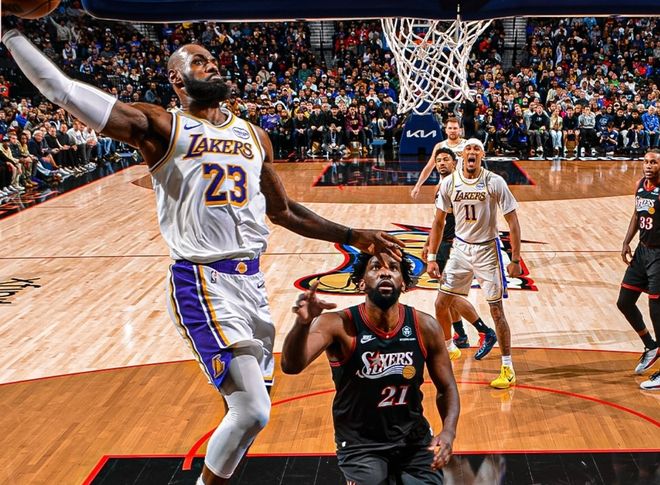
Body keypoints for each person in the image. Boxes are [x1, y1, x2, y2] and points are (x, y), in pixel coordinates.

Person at [2, 30, 405, 485]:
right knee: (252, 410)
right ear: (176, 78)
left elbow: (283, 211)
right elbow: (62, 90)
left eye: (212, 59)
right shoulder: (161, 126)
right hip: (201, 280)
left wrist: (353, 236)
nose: (211, 64)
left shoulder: (253, 136)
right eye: (197, 61)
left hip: (251, 285)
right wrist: (10, 32)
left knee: (248, 415)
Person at [281, 251, 460, 485]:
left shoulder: (425, 326)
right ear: (362, 283)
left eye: (393, 268)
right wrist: (302, 324)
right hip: (360, 444)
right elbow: (291, 365)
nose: (385, 272)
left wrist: (448, 432)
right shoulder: (337, 324)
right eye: (376, 267)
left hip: (413, 441)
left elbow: (447, 387)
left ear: (403, 283)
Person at [426, 139, 522, 389]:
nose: (472, 152)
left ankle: (507, 367)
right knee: (441, 303)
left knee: (497, 310)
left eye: (476, 149)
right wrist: (431, 257)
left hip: (487, 250)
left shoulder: (494, 181)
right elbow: (438, 222)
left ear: (482, 155)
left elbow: (512, 222)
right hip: (460, 248)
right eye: (468, 148)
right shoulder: (449, 183)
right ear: (462, 155)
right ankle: (449, 348)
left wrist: (515, 259)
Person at [421, 148, 497, 359]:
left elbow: (447, 221)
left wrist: (435, 249)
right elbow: (437, 222)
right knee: (448, 295)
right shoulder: (442, 185)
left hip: (454, 245)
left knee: (448, 297)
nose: (441, 163)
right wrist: (429, 244)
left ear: (455, 163)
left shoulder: (457, 184)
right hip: (445, 244)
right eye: (438, 160)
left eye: (446, 159)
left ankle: (484, 331)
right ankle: (461, 335)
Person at [616, 149, 660, 391]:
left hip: (659, 255)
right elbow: (636, 214)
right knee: (624, 301)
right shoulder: (641, 185)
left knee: (657, 310)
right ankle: (650, 345)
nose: (648, 166)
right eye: (646, 162)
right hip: (642, 252)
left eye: (654, 162)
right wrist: (626, 241)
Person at [410, 118, 466, 200]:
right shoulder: (440, 146)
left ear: (460, 130)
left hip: (462, 186)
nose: (452, 131)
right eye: (450, 128)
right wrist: (417, 185)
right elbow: (429, 167)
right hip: (444, 186)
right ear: (446, 130)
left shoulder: (467, 145)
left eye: (455, 128)